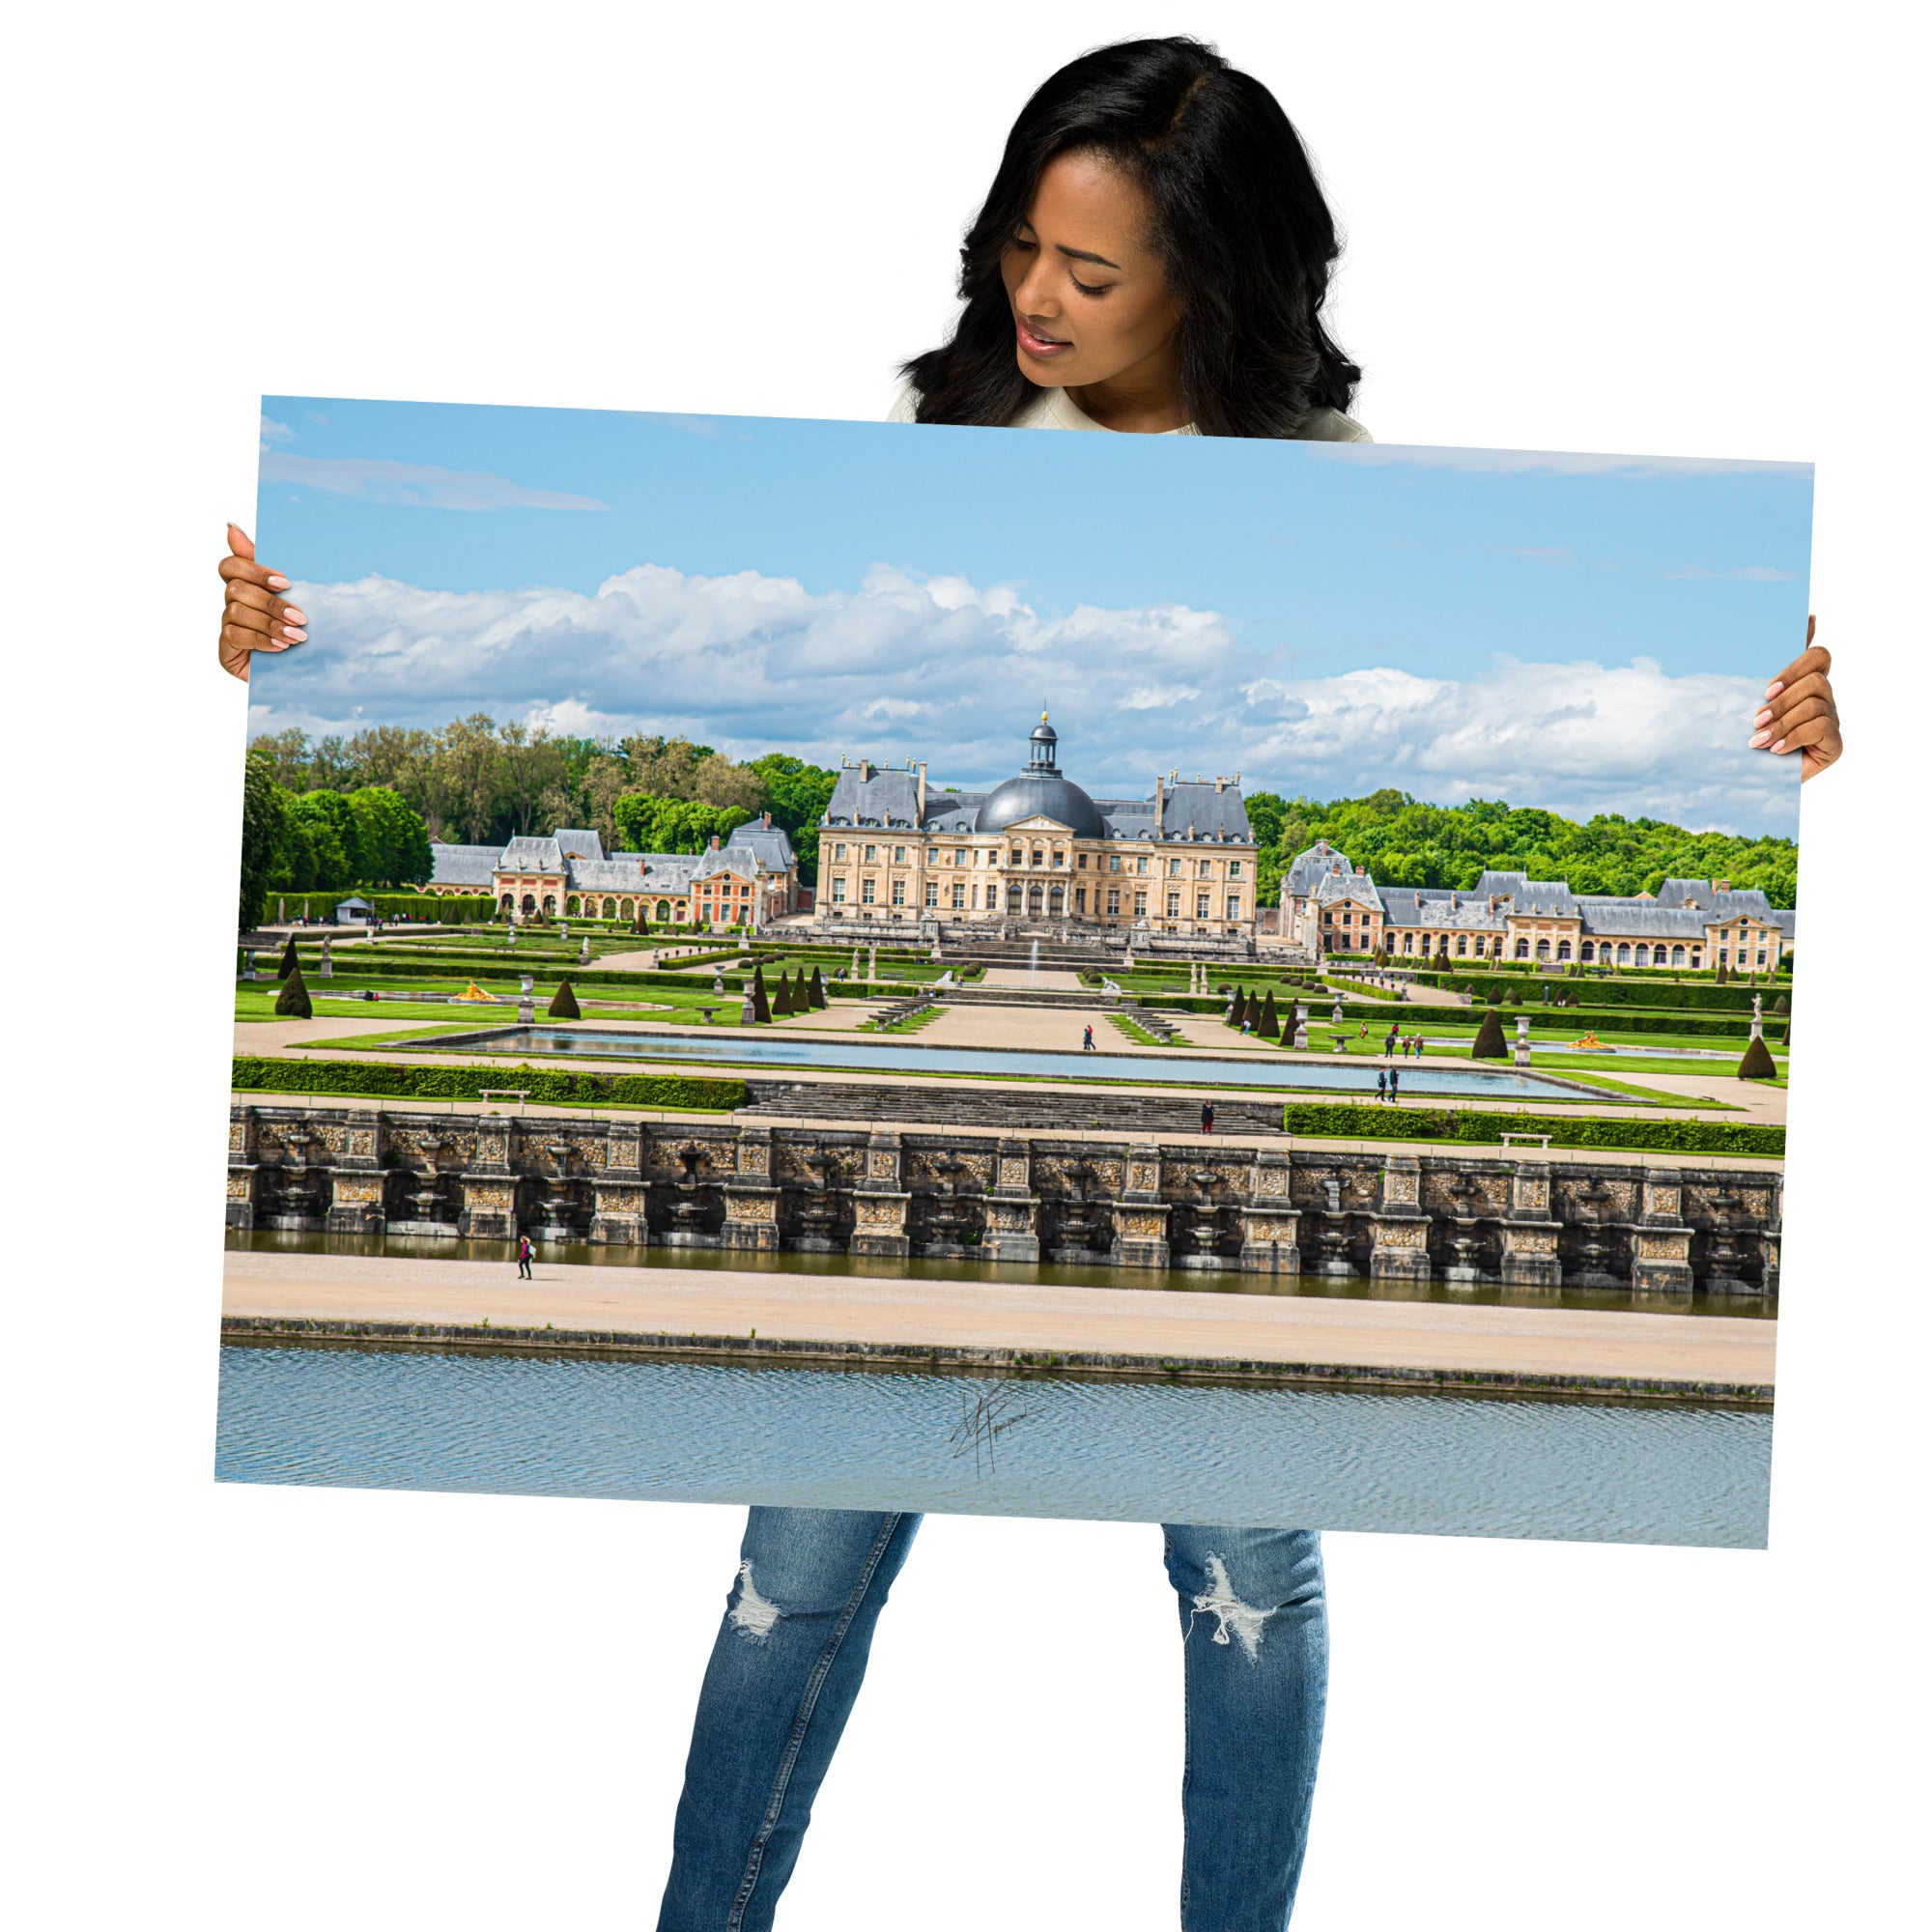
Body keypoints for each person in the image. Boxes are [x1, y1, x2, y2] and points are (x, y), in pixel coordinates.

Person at [216, 37, 1842, 1932]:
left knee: (1242, 1558)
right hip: (919, 1157)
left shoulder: (1327, 484)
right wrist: (275, 644)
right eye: (1020, 252)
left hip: (1204, 1189)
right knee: (802, 1544)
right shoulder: (944, 453)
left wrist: (1794, 739)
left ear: (1217, 278)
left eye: (1092, 271)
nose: (1036, 301)